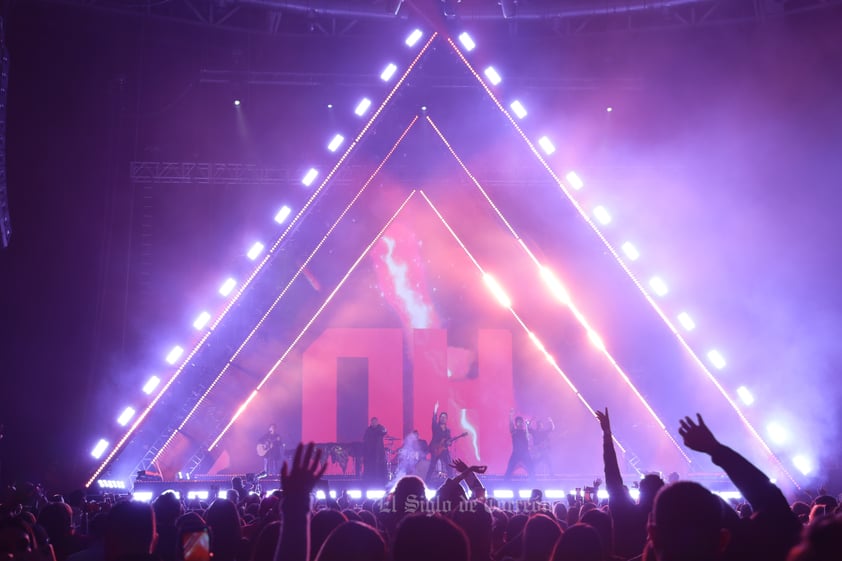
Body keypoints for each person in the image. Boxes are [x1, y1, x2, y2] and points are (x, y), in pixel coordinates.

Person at [426, 401, 454, 482]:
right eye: (442, 417)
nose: (443, 418)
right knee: (432, 466)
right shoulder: (435, 426)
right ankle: (426, 482)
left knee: (449, 465)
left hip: (444, 450)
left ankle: (451, 481)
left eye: (445, 417)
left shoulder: (448, 430)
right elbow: (433, 419)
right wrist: (435, 409)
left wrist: (449, 443)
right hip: (435, 449)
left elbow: (449, 440)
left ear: (446, 419)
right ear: (439, 418)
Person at [504, 409, 533, 478]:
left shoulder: (525, 431)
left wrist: (527, 424)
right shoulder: (514, 432)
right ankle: (505, 483)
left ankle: (534, 484)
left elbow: (528, 437)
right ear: (516, 424)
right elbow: (511, 425)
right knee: (509, 469)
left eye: (521, 422)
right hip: (516, 453)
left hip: (525, 453)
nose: (520, 423)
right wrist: (510, 415)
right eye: (519, 422)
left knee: (532, 469)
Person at [362, 417, 388, 484]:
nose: (373, 423)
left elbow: (384, 431)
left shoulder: (380, 428)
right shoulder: (368, 429)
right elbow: (365, 439)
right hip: (370, 451)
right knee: (370, 466)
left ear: (377, 422)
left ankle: (380, 479)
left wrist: (383, 429)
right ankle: (370, 479)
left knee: (379, 465)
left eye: (375, 422)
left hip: (379, 451)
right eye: (372, 422)